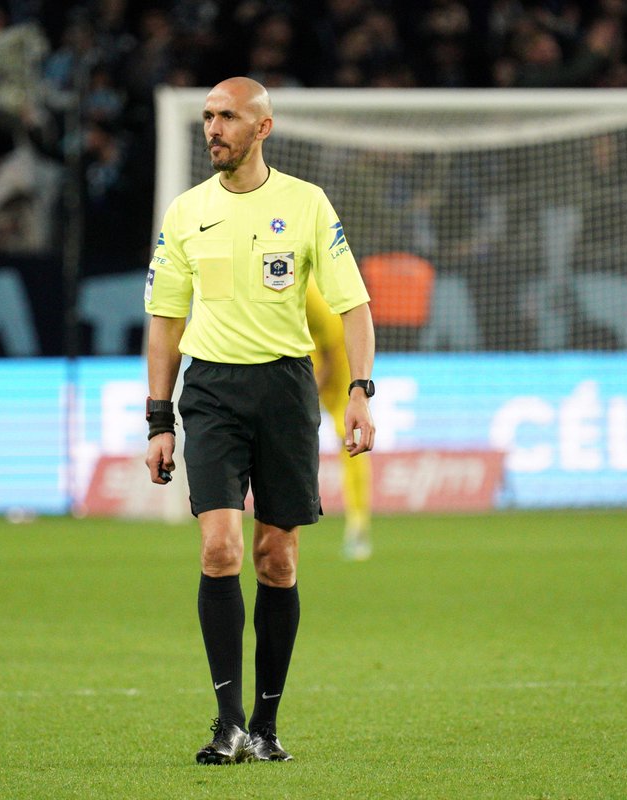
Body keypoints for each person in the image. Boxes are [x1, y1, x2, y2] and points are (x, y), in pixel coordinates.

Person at [142, 76, 376, 765]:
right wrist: (158, 419)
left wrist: (360, 389)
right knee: (220, 548)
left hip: (284, 390)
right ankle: (227, 724)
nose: (212, 127)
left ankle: (268, 729)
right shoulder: (186, 212)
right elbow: (165, 321)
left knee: (277, 557)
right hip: (210, 391)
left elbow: (353, 305)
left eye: (227, 117)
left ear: (261, 128)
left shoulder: (305, 205)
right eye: (208, 116)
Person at [306, 276, 373, 560]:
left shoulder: (301, 286)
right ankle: (270, 526)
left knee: (349, 440)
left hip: (335, 358)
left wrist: (319, 382)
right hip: (300, 351)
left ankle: (357, 526)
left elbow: (333, 336)